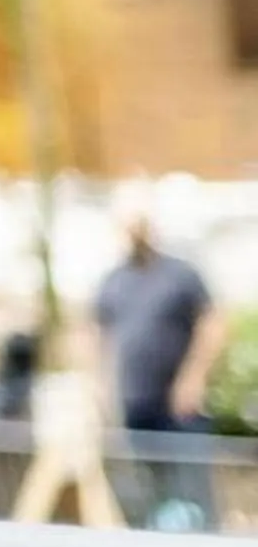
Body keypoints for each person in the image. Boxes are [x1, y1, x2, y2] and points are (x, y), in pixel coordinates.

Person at [96, 186, 228, 435]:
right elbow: (97, 334)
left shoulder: (180, 274)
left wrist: (194, 377)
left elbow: (213, 323)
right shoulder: (113, 280)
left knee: (186, 471)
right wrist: (101, 387)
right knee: (142, 472)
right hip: (135, 402)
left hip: (180, 404)